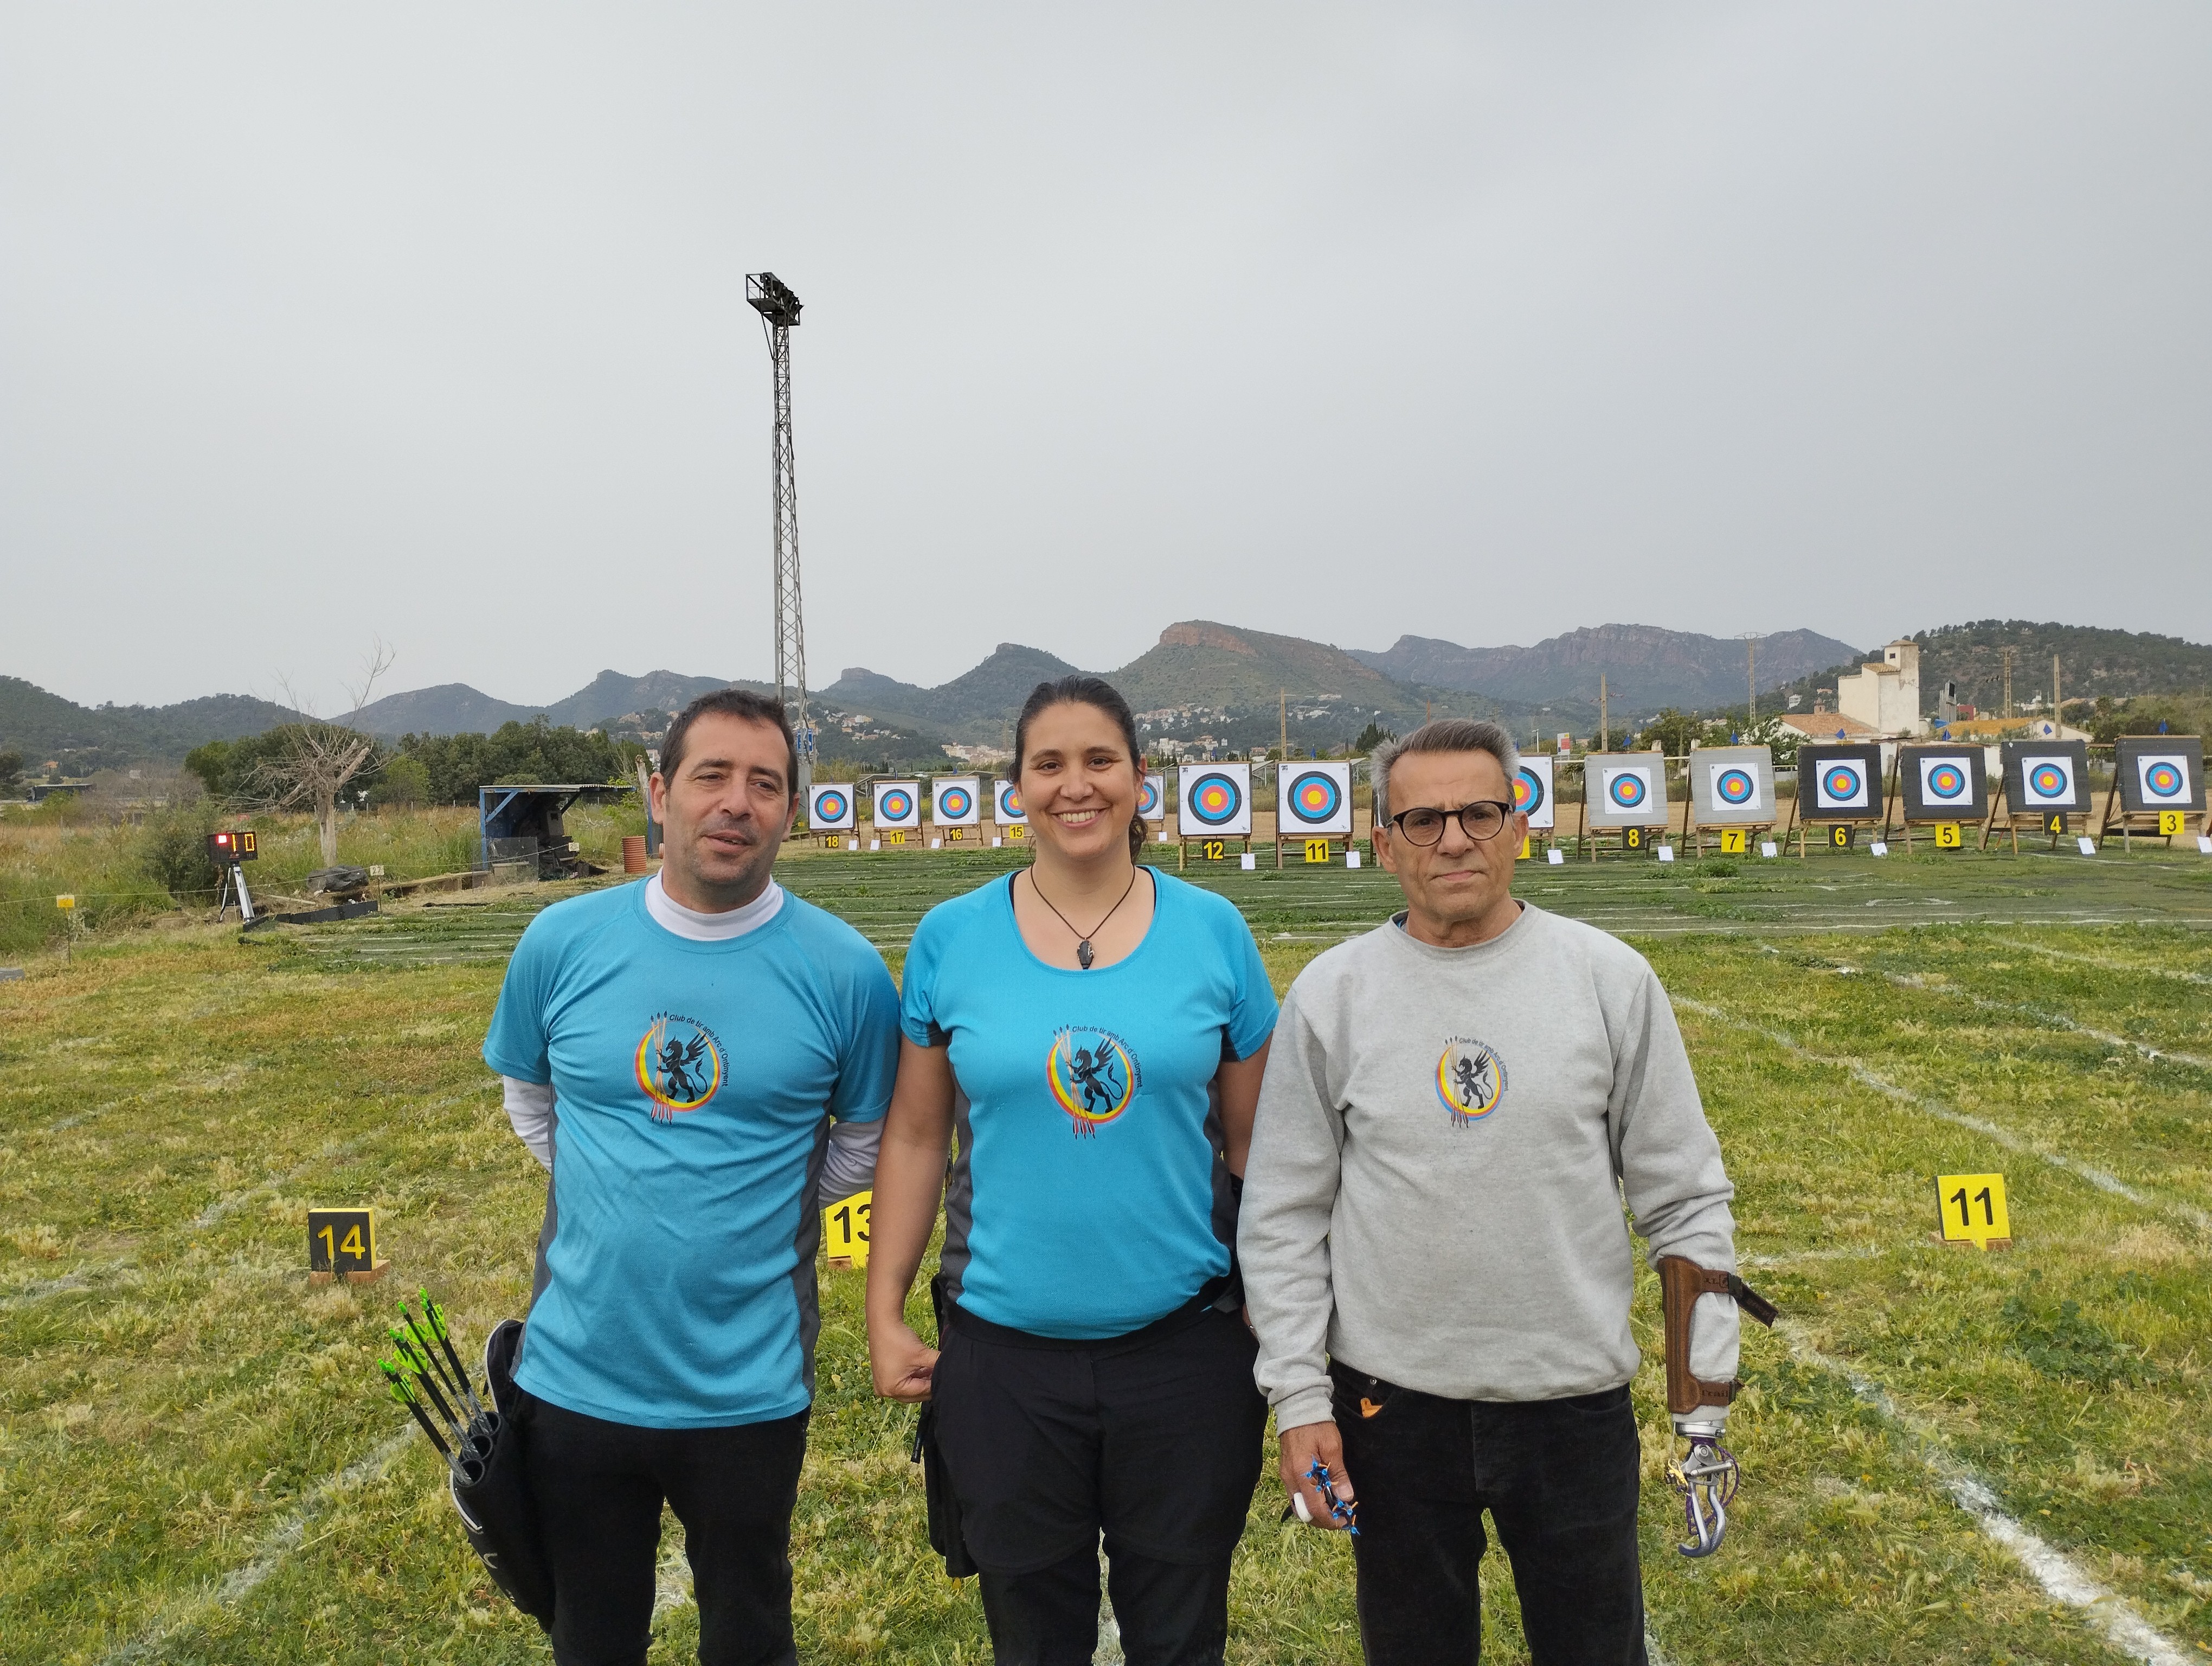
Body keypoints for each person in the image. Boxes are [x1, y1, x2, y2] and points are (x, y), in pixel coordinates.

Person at [1238, 719, 1747, 1666]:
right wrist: (1301, 1400)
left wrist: (1703, 1400)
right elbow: (1282, 1217)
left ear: (1520, 827)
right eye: (1422, 820)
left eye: (1479, 813)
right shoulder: (1331, 994)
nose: (1454, 840)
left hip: (1571, 1402)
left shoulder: (1609, 979)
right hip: (1389, 1408)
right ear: (1383, 843)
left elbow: (1684, 1199)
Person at [483, 688, 900, 1666]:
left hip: (749, 1385)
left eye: (766, 784)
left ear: (790, 811)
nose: (736, 803)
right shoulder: (560, 942)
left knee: (750, 1633)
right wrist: (616, 1183)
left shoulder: (847, 972)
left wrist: (748, 1202)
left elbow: (863, 1142)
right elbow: (531, 1101)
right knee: (591, 1637)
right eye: (712, 776)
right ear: (661, 793)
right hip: (575, 1376)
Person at [866, 676, 1278, 1666]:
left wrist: (1279, 1305)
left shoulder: (1214, 931)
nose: (1076, 785)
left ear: (1142, 778)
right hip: (1003, 1361)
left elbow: (1257, 1150)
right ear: (1016, 787)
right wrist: (883, 1311)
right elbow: (917, 1138)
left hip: (1186, 1352)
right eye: (1048, 764)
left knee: (1180, 1641)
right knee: (1033, 1643)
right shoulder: (951, 938)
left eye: (1100, 760)